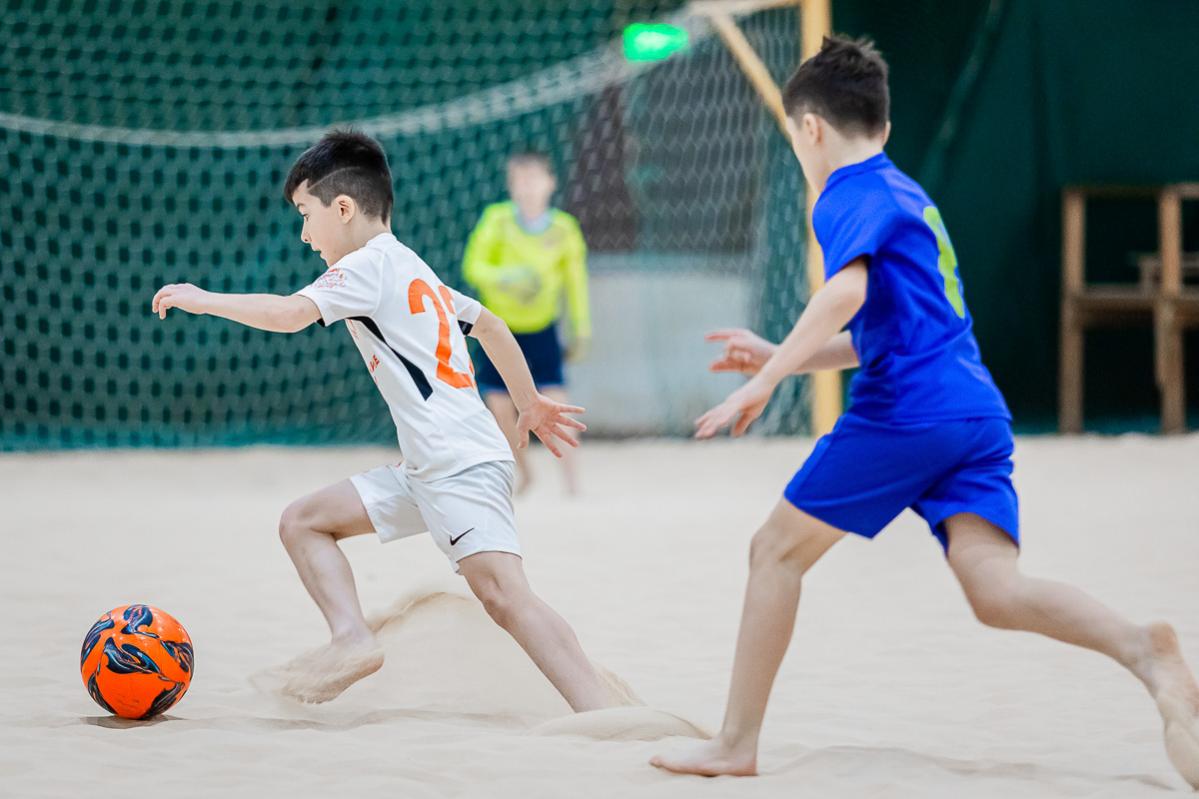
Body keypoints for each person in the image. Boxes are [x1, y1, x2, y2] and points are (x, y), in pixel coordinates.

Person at [650, 36, 1199, 786]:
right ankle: (1143, 647)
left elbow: (845, 294)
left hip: (907, 413)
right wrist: (783, 353)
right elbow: (882, 331)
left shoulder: (843, 193)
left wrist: (766, 380)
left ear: (810, 129)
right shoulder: (909, 195)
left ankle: (734, 743)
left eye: (794, 138)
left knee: (772, 551)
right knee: (995, 591)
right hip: (973, 412)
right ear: (883, 123)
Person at [151, 130, 616, 711]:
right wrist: (527, 402)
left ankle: (604, 715)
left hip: (458, 464)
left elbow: (292, 314)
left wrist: (203, 298)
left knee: (506, 597)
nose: (304, 235)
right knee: (303, 523)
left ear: (343, 208)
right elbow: (492, 325)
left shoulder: (367, 266)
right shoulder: (410, 266)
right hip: (429, 467)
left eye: (306, 215)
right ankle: (351, 639)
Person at [462, 151, 590, 496]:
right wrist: (508, 278)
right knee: (500, 406)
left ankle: (573, 485)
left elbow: (576, 282)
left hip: (542, 328)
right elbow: (473, 267)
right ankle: (526, 472)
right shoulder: (496, 220)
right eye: (519, 179)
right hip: (498, 330)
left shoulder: (564, 228)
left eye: (534, 178)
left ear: (551, 183)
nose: (527, 186)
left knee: (556, 401)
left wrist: (582, 328)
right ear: (511, 186)